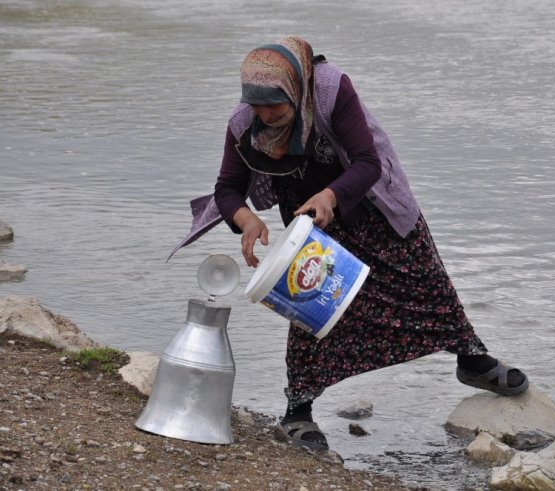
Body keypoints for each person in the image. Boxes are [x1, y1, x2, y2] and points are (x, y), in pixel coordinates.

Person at [179, 36, 528, 452]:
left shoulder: (330, 89)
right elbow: (227, 188)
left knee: (425, 284)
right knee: (312, 307)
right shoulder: (244, 123)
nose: (266, 117)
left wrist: (331, 196)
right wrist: (247, 219)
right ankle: (298, 411)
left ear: (295, 90)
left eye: (275, 107)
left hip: (368, 201)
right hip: (309, 225)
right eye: (257, 107)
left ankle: (471, 358)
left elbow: (367, 161)